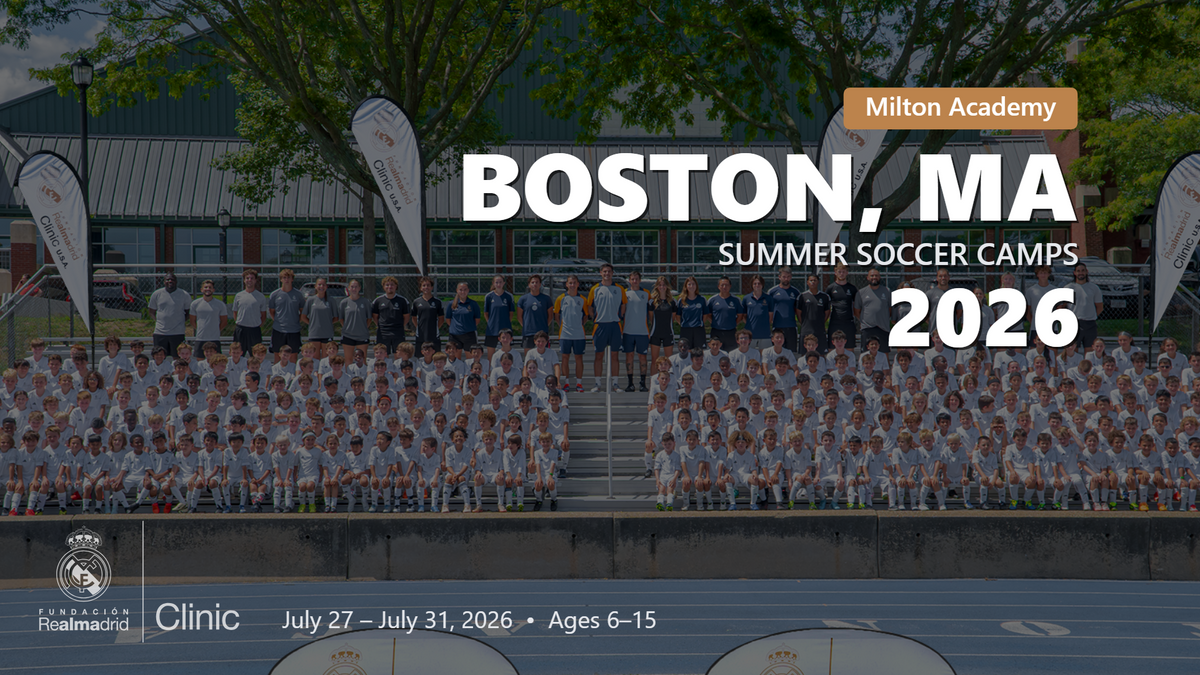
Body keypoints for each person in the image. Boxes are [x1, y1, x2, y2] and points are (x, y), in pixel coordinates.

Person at [586, 263, 627, 392]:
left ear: (612, 273)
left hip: (615, 325)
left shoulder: (619, 289)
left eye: (609, 271)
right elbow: (589, 306)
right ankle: (597, 384)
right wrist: (596, 318)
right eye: (604, 271)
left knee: (615, 355)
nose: (607, 274)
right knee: (599, 355)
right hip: (600, 326)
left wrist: (620, 317)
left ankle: (615, 384)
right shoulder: (595, 289)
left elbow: (623, 305)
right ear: (601, 273)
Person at [554, 275, 587, 393]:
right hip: (565, 334)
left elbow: (586, 316)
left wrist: (579, 325)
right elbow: (557, 315)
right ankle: (566, 383)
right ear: (566, 284)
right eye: (570, 283)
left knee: (579, 358)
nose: (572, 285)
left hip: (578, 334)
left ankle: (579, 383)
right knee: (565, 358)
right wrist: (562, 325)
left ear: (578, 284)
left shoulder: (583, 299)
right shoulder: (561, 298)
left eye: (574, 283)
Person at [148, 272, 190, 358]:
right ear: (164, 282)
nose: (170, 281)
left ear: (176, 281)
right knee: (159, 357)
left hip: (177, 333)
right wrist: (159, 321)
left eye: (172, 279)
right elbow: (151, 311)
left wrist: (179, 321)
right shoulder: (157, 294)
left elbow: (188, 312)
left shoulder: (184, 294)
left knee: (177, 357)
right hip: (160, 332)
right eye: (168, 279)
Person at [621, 270, 651, 392]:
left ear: (640, 280)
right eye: (632, 279)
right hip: (628, 331)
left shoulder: (646, 293)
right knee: (629, 357)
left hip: (643, 331)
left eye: (637, 279)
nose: (634, 281)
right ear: (629, 280)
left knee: (642, 358)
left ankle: (643, 384)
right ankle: (630, 384)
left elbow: (650, 313)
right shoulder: (624, 293)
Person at [268, 269, 305, 360]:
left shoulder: (298, 295)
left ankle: (292, 374)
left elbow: (302, 311)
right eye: (284, 277)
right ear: (281, 279)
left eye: (289, 277)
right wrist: (278, 320)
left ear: (292, 279)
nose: (286, 279)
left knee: (293, 355)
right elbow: (272, 311)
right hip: (278, 330)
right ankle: (278, 374)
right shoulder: (274, 294)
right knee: (278, 354)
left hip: (294, 330)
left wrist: (296, 320)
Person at [1068, 262, 1104, 351]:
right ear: (1074, 273)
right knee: (1073, 350)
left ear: (1087, 272)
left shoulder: (1094, 288)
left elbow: (1099, 307)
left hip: (1090, 323)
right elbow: (1062, 306)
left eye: (1083, 271)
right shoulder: (1068, 288)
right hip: (1074, 323)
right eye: (1078, 271)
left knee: (1090, 352)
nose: (1081, 273)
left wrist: (1091, 315)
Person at [854, 268, 891, 354]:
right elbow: (856, 311)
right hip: (867, 328)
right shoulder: (861, 292)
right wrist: (866, 320)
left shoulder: (887, 291)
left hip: (883, 328)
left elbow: (889, 309)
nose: (874, 277)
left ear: (879, 277)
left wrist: (882, 318)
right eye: (872, 275)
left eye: (876, 275)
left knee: (884, 355)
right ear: (867, 277)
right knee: (866, 355)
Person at [230, 269, 268, 354]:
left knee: (255, 355)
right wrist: (239, 322)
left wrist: (256, 324)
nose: (249, 280)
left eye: (252, 278)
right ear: (244, 280)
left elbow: (263, 315)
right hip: (241, 330)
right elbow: (235, 312)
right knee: (238, 354)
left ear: (255, 280)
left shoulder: (260, 296)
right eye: (247, 278)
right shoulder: (239, 295)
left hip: (254, 330)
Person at [336, 279, 372, 364]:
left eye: (356, 287)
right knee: (348, 360)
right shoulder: (344, 302)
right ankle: (349, 377)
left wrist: (362, 328)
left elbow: (369, 319)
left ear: (359, 288)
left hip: (362, 335)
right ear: (348, 288)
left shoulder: (365, 302)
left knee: (362, 360)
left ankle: (362, 377)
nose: (354, 289)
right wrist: (347, 328)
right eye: (352, 287)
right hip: (348, 335)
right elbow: (341, 318)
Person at [372, 275, 410, 355]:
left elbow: (406, 317)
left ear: (396, 286)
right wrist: (380, 325)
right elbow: (375, 316)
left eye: (392, 284)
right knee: (383, 355)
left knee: (399, 354)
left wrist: (400, 326)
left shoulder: (402, 300)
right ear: (383, 287)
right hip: (383, 332)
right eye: (387, 285)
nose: (390, 287)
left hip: (398, 332)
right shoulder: (378, 300)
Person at [188, 280, 228, 354]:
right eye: (205, 287)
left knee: (215, 362)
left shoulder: (220, 304)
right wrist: (201, 329)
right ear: (201, 290)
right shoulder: (195, 303)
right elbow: (192, 321)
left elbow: (224, 321)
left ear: (213, 290)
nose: (208, 289)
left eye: (210, 287)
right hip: (200, 338)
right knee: (200, 361)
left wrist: (216, 330)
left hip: (214, 338)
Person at [768, 266, 802, 352]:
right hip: (777, 326)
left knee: (791, 353)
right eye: (784, 277)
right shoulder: (772, 292)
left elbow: (798, 310)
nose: (786, 279)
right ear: (779, 277)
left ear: (790, 277)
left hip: (791, 326)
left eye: (788, 277)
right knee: (777, 352)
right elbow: (768, 309)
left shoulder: (795, 292)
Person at [825, 262, 859, 350]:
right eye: (839, 272)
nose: (841, 274)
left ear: (847, 272)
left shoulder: (852, 288)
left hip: (848, 323)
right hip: (834, 322)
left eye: (843, 272)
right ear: (835, 272)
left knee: (849, 349)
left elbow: (856, 306)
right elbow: (826, 307)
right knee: (832, 349)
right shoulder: (830, 288)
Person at [707, 275, 744, 352]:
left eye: (726, 285)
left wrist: (733, 324)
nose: (724, 287)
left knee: (731, 354)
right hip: (716, 331)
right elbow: (708, 314)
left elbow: (740, 315)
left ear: (730, 286)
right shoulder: (712, 300)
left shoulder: (736, 300)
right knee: (715, 353)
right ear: (718, 286)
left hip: (731, 332)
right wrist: (714, 322)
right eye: (722, 285)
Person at [482, 275, 515, 359]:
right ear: (493, 283)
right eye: (497, 282)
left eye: (500, 282)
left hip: (505, 330)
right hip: (492, 330)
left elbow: (511, 313)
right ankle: (491, 371)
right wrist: (490, 323)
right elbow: (486, 313)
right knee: (491, 356)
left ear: (504, 283)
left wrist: (507, 323)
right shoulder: (489, 296)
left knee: (506, 355)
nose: (499, 284)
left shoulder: (508, 296)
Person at [516, 274, 553, 351]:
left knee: (542, 357)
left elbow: (550, 316)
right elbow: (519, 317)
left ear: (540, 284)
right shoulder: (523, 299)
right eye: (532, 282)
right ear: (529, 285)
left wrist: (544, 326)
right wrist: (526, 326)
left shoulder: (546, 299)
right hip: (528, 332)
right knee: (528, 358)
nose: (534, 284)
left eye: (537, 282)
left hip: (542, 332)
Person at [409, 276, 445, 352]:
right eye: (424, 285)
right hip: (421, 333)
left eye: (428, 285)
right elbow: (414, 317)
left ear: (432, 287)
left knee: (435, 354)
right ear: (421, 288)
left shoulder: (437, 302)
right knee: (421, 354)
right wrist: (418, 327)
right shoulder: (416, 302)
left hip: (433, 333)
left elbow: (441, 318)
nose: (426, 287)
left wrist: (436, 328)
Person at [648, 276, 678, 365]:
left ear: (667, 286)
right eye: (660, 285)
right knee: (655, 360)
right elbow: (651, 318)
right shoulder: (652, 301)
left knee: (669, 360)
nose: (662, 287)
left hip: (668, 333)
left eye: (664, 285)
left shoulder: (672, 302)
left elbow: (672, 319)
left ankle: (669, 378)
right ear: (657, 286)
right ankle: (653, 379)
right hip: (655, 333)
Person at [799, 273, 830, 353]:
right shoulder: (802, 296)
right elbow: (798, 313)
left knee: (821, 354)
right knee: (804, 354)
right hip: (806, 330)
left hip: (819, 330)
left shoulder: (824, 297)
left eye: (815, 280)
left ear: (818, 282)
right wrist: (804, 323)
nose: (813, 282)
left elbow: (827, 313)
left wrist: (820, 322)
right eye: (811, 280)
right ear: (807, 282)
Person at [445, 282, 481, 349]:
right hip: (455, 335)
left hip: (469, 334)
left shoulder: (473, 304)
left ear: (468, 290)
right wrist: (456, 327)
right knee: (456, 358)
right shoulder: (451, 304)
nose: (463, 292)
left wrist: (468, 326)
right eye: (460, 290)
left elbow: (477, 320)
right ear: (457, 290)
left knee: (470, 358)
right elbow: (448, 319)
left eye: (465, 289)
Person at [300, 277, 336, 345]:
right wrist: (312, 323)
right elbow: (303, 317)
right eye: (319, 284)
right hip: (314, 333)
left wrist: (326, 323)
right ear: (315, 286)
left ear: (326, 287)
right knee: (314, 355)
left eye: (323, 285)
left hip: (327, 334)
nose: (321, 286)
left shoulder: (331, 300)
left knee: (327, 356)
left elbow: (336, 317)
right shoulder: (310, 300)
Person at [742, 274, 773, 351]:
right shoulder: (746, 298)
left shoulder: (768, 298)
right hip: (750, 334)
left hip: (765, 333)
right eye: (755, 283)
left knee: (765, 356)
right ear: (752, 285)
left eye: (759, 283)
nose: (757, 285)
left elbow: (770, 316)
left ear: (762, 285)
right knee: (750, 356)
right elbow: (744, 316)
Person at [676, 276, 708, 350]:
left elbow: (705, 315)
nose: (691, 286)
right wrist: (683, 324)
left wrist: (699, 323)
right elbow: (677, 316)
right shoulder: (682, 300)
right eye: (689, 284)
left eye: (693, 284)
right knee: (687, 352)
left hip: (698, 329)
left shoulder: (702, 299)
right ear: (686, 286)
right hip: (686, 329)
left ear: (696, 286)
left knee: (699, 352)